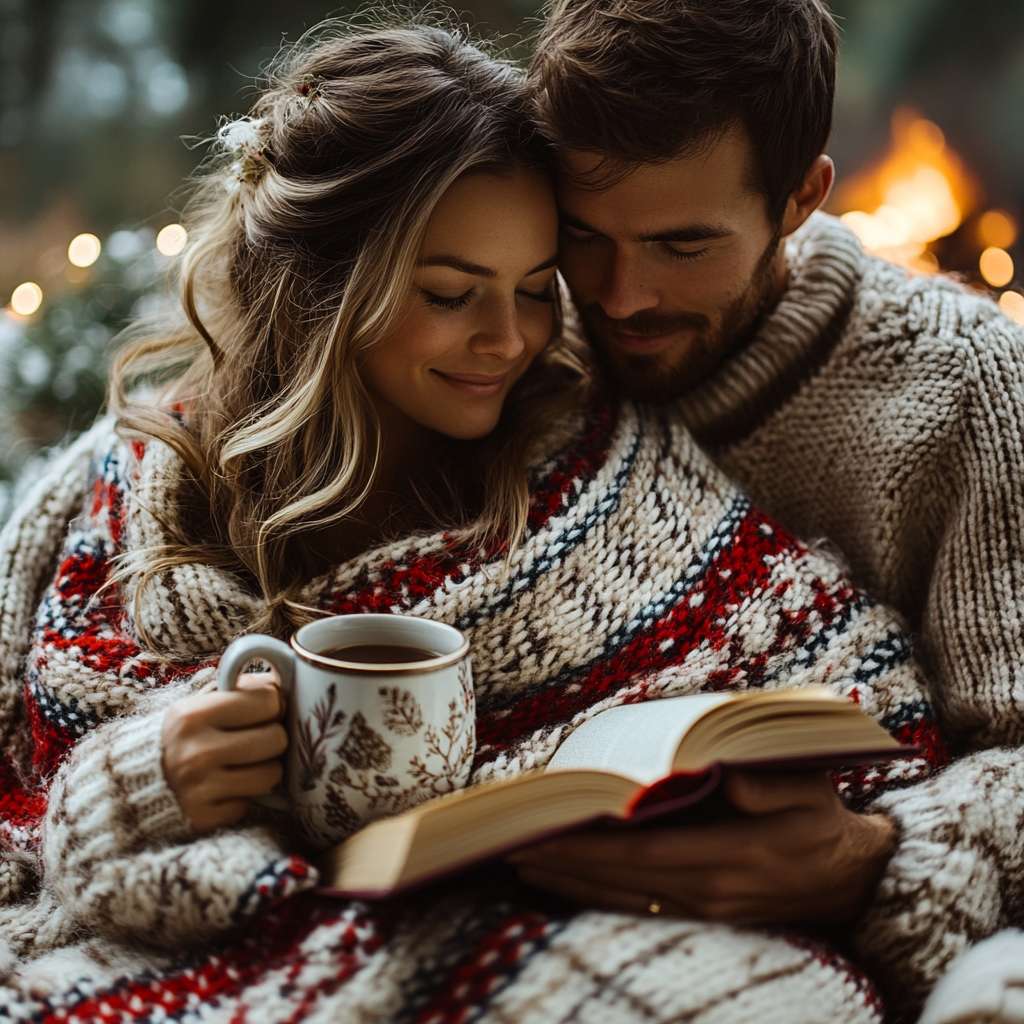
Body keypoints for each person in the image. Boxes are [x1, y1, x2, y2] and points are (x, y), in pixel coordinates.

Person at [0, 14, 944, 1024]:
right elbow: (31, 818)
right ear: (319, 289)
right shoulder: (120, 494)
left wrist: (828, 845)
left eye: (538, 290)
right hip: (202, 953)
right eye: (452, 294)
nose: (508, 340)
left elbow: (869, 712)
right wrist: (148, 780)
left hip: (556, 931)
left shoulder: (600, 467)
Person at [517, 0, 1024, 1018]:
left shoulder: (966, 386)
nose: (618, 297)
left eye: (681, 245)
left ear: (800, 197)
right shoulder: (515, 337)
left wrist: (875, 856)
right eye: (584, 235)